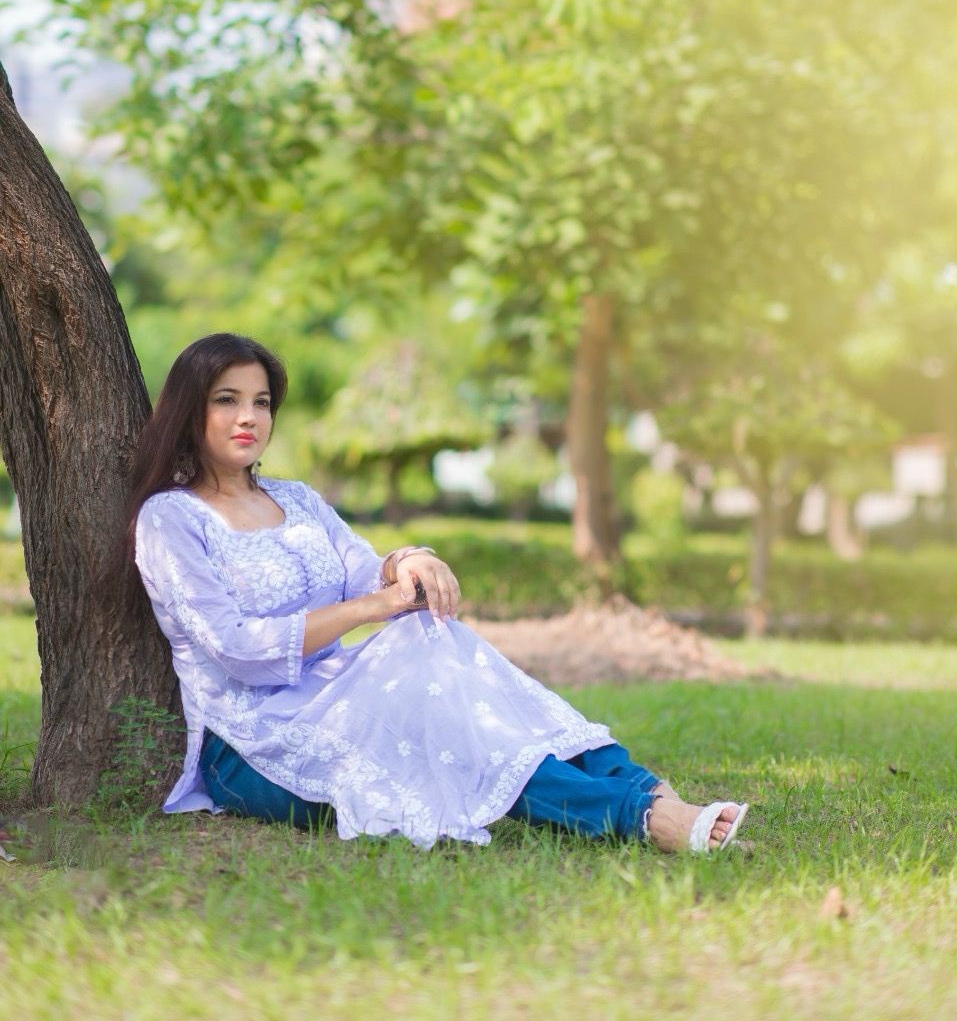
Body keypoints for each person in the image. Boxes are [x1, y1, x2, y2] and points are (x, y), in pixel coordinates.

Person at [131, 332, 748, 853]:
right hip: (253, 741)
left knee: (439, 646)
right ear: (190, 411)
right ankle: (638, 813)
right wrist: (374, 607)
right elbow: (236, 648)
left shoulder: (295, 500)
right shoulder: (171, 519)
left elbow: (366, 568)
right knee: (454, 733)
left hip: (336, 694)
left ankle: (643, 791)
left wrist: (411, 559)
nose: (249, 417)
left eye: (262, 402)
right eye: (227, 400)